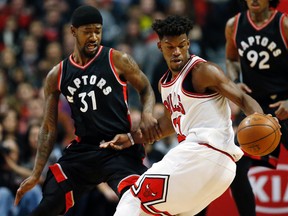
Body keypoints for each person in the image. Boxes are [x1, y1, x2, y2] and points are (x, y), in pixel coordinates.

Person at [99, 15, 274, 216]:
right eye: (170, 47)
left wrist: (261, 118)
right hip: (219, 171)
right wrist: (131, 139)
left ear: (188, 44)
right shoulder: (164, 84)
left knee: (132, 197)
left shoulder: (203, 71)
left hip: (203, 153)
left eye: (181, 46)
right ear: (159, 47)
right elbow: (166, 127)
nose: (176, 52)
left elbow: (242, 99)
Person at [14, 5, 160, 216]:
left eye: (97, 31)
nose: (94, 36)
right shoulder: (57, 74)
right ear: (73, 31)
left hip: (118, 147)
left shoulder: (117, 59)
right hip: (84, 151)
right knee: (46, 206)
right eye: (87, 31)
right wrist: (36, 173)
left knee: (140, 201)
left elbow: (146, 88)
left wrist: (146, 113)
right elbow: (48, 127)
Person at [225, 0, 288, 215]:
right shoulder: (234, 24)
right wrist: (234, 80)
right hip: (255, 109)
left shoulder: (283, 24)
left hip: (283, 105)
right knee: (234, 167)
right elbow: (231, 58)